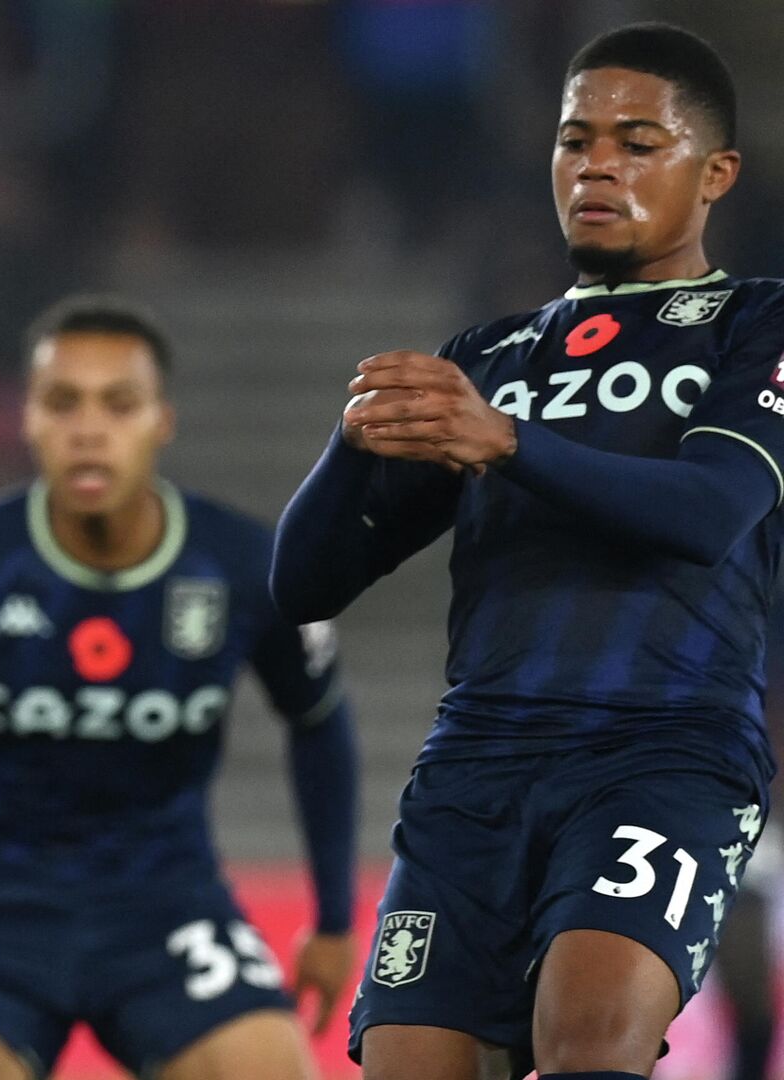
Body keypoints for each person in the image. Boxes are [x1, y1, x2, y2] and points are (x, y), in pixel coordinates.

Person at [272, 23, 782, 1080]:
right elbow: (303, 583)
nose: (597, 164)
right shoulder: (492, 355)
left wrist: (507, 440)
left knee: (589, 1040)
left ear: (715, 172)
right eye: (575, 139)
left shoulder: (755, 326)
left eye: (639, 141)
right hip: (477, 769)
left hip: (662, 753)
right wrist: (350, 438)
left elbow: (711, 510)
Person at [0, 296, 359, 1080]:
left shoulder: (250, 567)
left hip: (168, 902)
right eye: (62, 403)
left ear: (162, 421)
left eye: (118, 404)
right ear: (28, 421)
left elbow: (319, 723)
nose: (89, 428)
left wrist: (332, 920)